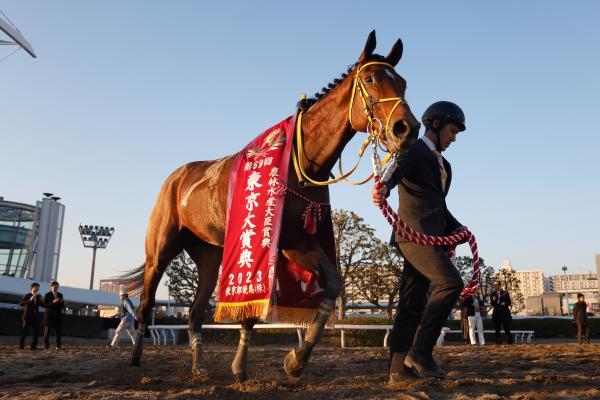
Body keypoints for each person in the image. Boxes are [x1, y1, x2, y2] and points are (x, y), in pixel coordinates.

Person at [372, 101, 468, 381]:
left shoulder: (445, 166)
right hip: (413, 236)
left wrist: (459, 229)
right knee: (451, 284)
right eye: (453, 131)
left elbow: (438, 205)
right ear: (436, 124)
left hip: (431, 238)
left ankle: (396, 370)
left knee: (411, 303)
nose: (454, 138)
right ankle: (421, 352)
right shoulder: (413, 148)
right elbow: (395, 169)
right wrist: (383, 189)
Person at [19, 282, 43, 350]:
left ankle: (33, 346)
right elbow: (21, 303)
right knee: (24, 331)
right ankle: (21, 346)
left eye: (38, 288)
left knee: (37, 331)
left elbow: (43, 305)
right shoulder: (27, 295)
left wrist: (43, 300)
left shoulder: (39, 296)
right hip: (27, 316)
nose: (38, 289)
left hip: (36, 317)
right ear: (32, 288)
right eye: (37, 287)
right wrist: (30, 300)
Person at [43, 280, 64, 350]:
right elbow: (45, 305)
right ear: (51, 287)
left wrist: (62, 303)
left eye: (57, 287)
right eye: (54, 287)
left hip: (58, 316)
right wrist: (53, 302)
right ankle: (46, 346)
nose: (56, 288)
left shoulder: (60, 295)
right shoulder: (47, 295)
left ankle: (58, 346)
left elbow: (62, 305)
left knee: (58, 332)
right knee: (47, 332)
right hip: (49, 316)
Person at [490, 280, 512, 344]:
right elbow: (492, 304)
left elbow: (509, 302)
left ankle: (509, 340)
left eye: (496, 285)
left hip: (504, 313)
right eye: (494, 285)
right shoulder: (493, 294)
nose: (495, 286)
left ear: (499, 286)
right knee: (497, 328)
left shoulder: (505, 293)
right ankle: (498, 341)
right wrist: (493, 300)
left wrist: (504, 303)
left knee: (506, 327)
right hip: (496, 313)